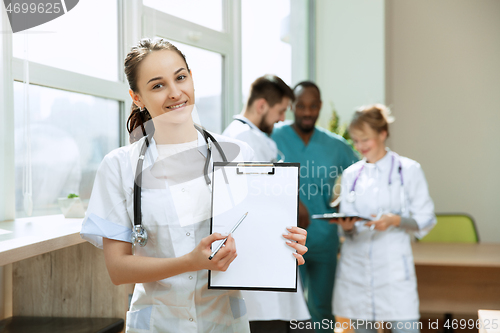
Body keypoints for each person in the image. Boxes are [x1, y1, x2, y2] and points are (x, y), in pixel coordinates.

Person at [80, 38, 308, 333]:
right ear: (137, 97)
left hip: (225, 321)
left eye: (181, 77)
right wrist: (190, 261)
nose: (176, 93)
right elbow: (118, 269)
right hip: (157, 324)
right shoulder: (119, 166)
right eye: (157, 85)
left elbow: (253, 239)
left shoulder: (237, 154)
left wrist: (283, 244)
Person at [331, 104, 436, 333]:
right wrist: (347, 227)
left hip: (393, 270)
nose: (360, 146)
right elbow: (346, 228)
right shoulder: (351, 175)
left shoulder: (408, 170)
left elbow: (425, 218)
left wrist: (395, 220)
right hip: (356, 269)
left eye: (365, 139)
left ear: (382, 134)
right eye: (356, 140)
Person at [223, 75, 312, 332]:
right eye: (281, 111)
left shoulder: (246, 135)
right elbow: (262, 198)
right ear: (261, 105)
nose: (283, 119)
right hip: (262, 255)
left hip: (265, 253)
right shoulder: (245, 139)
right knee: (272, 319)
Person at [271, 81, 358, 332]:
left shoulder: (335, 145)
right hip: (284, 240)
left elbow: (362, 177)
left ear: (320, 107)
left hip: (323, 240)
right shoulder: (273, 137)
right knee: (287, 312)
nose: (307, 112)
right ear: (292, 107)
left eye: (313, 106)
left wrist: (344, 205)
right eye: (301, 106)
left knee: (321, 310)